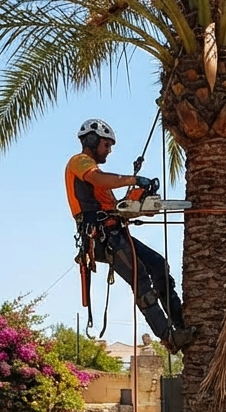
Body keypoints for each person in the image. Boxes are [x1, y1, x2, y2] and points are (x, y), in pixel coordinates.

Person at [66, 117, 194, 352]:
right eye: (106, 145)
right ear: (92, 140)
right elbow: (98, 179)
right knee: (141, 280)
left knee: (158, 265)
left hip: (114, 233)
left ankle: (180, 320)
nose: (109, 151)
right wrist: (134, 179)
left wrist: (139, 208)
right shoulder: (80, 163)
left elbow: (115, 212)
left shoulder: (99, 185)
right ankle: (168, 337)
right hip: (102, 238)